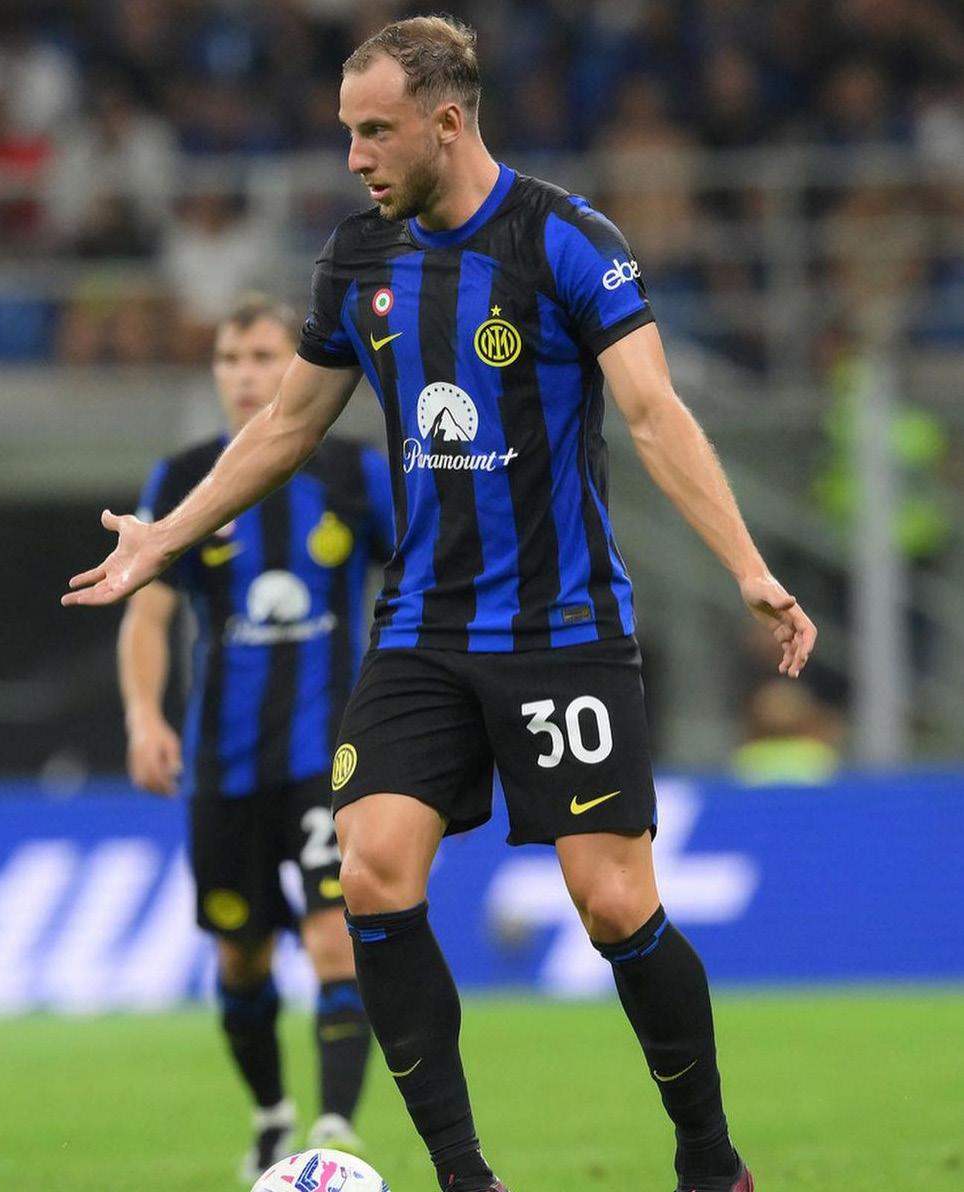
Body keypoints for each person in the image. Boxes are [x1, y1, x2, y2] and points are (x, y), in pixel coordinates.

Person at [66, 18, 816, 1192]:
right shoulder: (358, 258)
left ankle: (711, 1162)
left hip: (562, 628)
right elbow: (287, 425)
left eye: (376, 131)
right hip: (423, 628)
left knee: (612, 902)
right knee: (370, 870)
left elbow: (654, 413)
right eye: (347, 132)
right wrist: (169, 533)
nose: (356, 156)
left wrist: (747, 566)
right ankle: (466, 1177)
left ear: (447, 121)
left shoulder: (567, 240)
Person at [116, 293, 392, 1180]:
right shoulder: (184, 478)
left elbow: (423, 570)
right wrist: (144, 715)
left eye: (264, 357)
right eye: (230, 359)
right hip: (223, 760)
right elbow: (149, 612)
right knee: (241, 954)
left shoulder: (354, 472)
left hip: (330, 752)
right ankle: (273, 1115)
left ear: (297, 363)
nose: (245, 375)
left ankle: (336, 1131)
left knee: (334, 936)